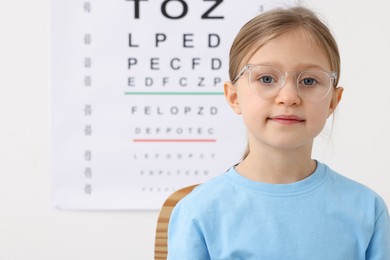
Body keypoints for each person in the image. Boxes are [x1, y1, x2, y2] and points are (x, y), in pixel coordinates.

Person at [167, 6, 390, 259]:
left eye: (308, 81)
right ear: (234, 96)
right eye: (266, 78)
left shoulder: (367, 210)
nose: (289, 97)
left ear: (332, 101)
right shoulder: (198, 211)